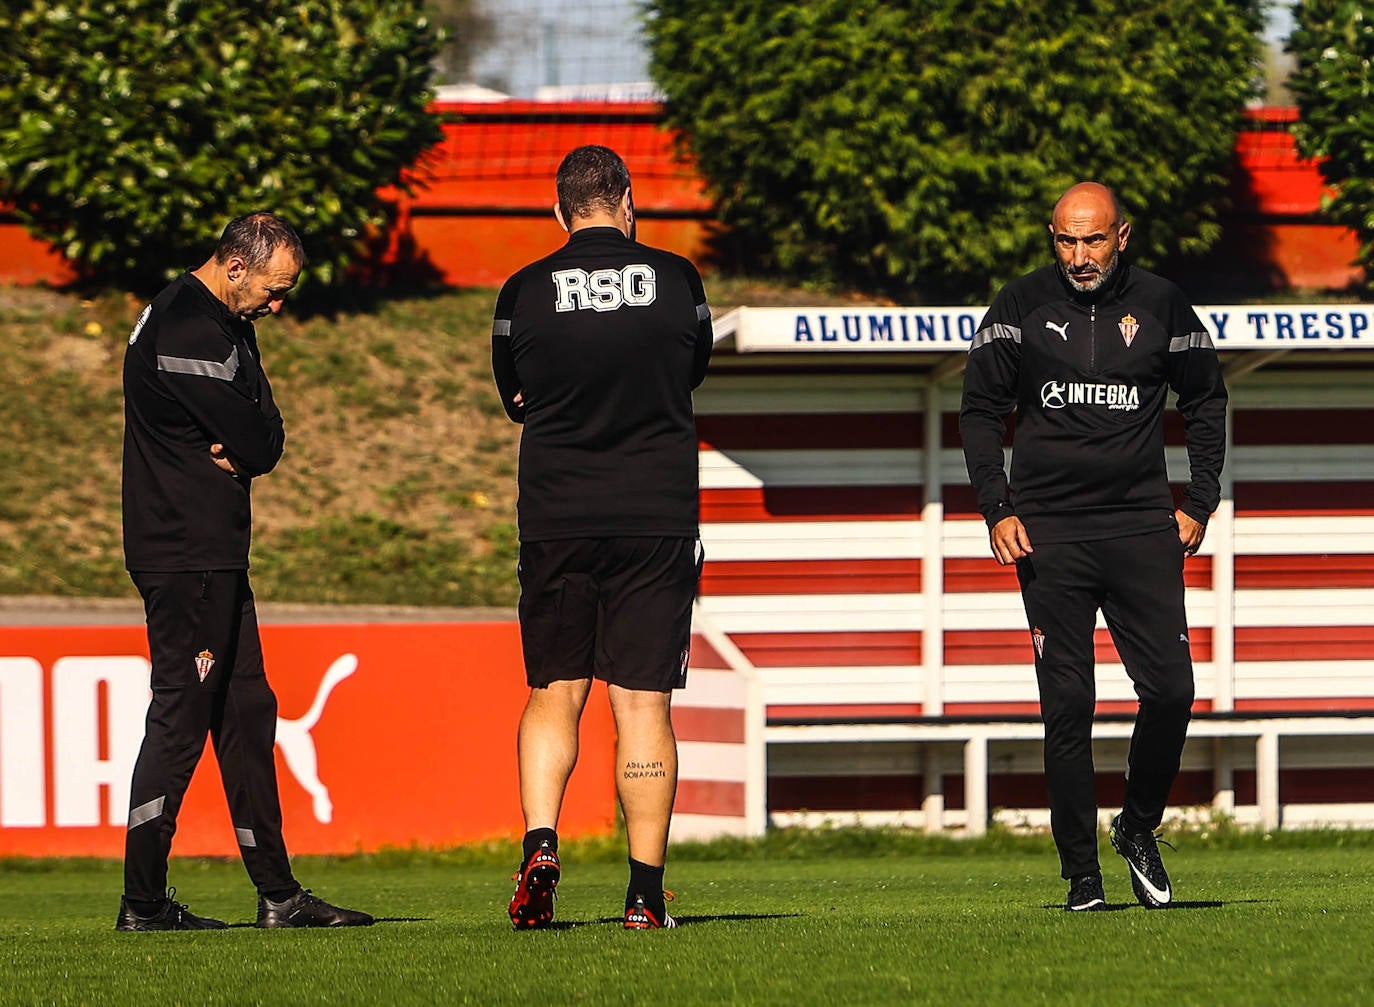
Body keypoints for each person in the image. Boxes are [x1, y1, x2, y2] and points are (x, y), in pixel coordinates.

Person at [959, 182, 1227, 912]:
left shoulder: (1166, 304)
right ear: (1052, 236)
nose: (1080, 256)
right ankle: (1082, 873)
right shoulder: (1017, 307)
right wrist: (997, 507)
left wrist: (1199, 500)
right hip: (1051, 534)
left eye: (1094, 240)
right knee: (1068, 705)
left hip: (1143, 527)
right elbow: (980, 411)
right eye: (1066, 240)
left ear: (1123, 236)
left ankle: (1137, 827)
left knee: (1172, 690)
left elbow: (1205, 399)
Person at [118, 212, 372, 931]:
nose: (278, 304)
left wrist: (255, 434)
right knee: (180, 718)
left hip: (213, 552)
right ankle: (141, 903)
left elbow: (263, 429)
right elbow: (261, 438)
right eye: (274, 288)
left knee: (248, 714)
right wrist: (254, 437)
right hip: (187, 552)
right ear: (235, 267)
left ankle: (279, 895)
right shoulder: (190, 329)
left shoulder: (223, 323)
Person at [490, 145, 713, 931]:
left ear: (559, 212)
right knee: (643, 704)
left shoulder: (523, 292)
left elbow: (514, 392)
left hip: (556, 516)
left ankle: (542, 842)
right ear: (627, 201)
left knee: (555, 692)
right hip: (654, 516)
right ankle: (646, 894)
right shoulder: (679, 281)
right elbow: (693, 369)